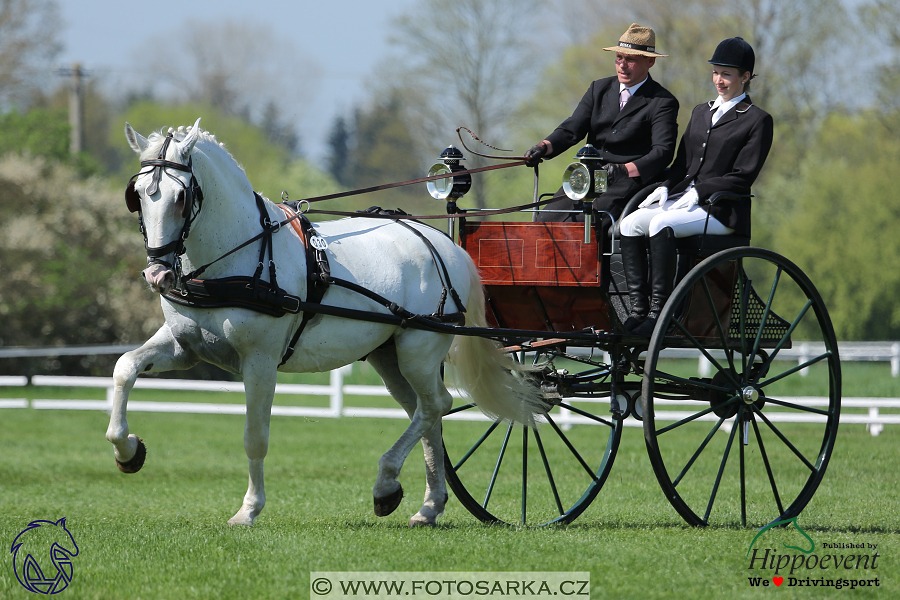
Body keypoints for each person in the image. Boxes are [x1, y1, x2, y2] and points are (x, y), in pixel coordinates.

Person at [618, 37, 774, 335]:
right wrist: (664, 186)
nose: (719, 80)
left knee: (661, 222)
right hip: (684, 202)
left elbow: (743, 175)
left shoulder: (757, 120)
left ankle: (660, 313)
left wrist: (700, 192)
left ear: (745, 77)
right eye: (716, 72)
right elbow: (681, 164)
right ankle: (638, 310)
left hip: (722, 210)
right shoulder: (701, 111)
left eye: (727, 74)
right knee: (631, 223)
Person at [525, 23, 679, 223]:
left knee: (585, 225)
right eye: (619, 58)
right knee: (544, 222)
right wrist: (543, 147)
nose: (622, 65)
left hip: (628, 182)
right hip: (587, 176)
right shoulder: (599, 88)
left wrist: (623, 170)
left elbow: (662, 152)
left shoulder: (662, 102)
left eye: (630, 59)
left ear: (650, 62)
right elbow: (572, 128)